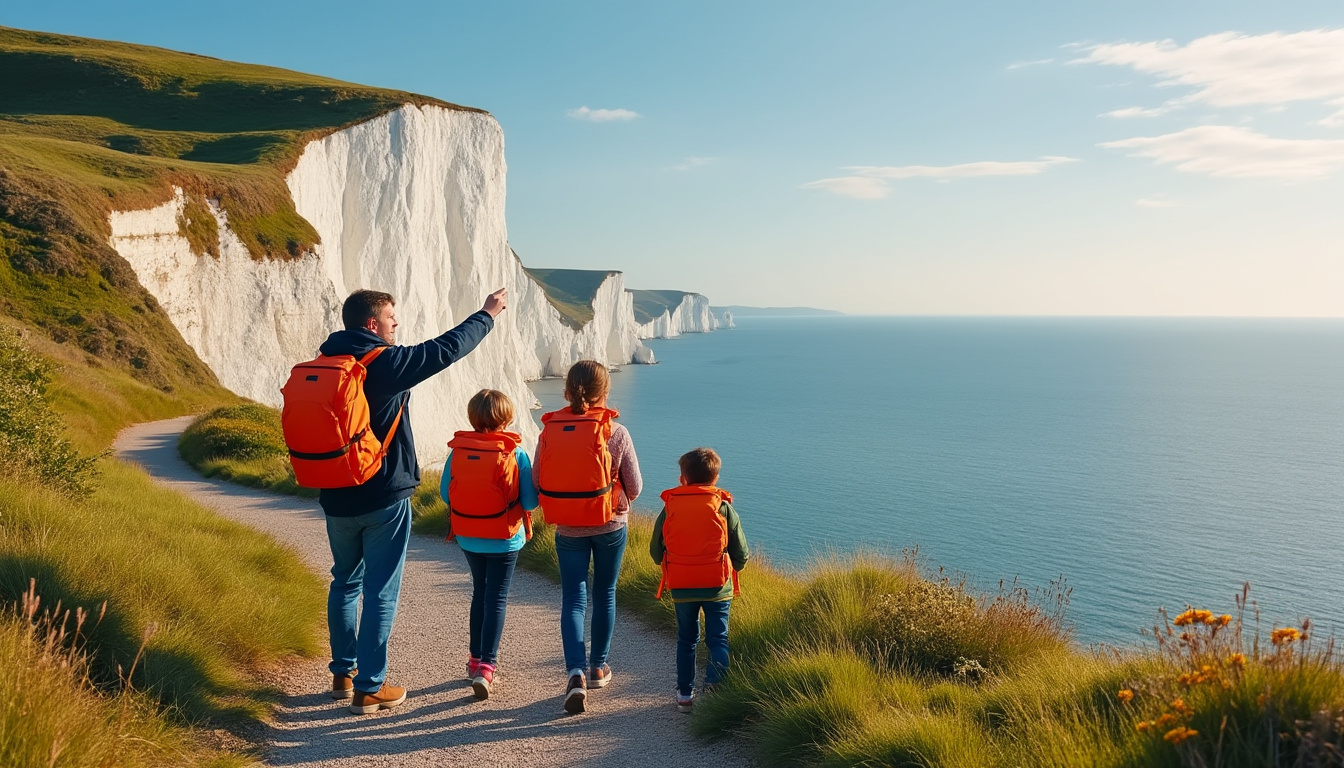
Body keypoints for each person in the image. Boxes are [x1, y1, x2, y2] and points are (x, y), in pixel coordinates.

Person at [321, 286, 507, 715]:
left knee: (345, 581)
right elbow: (445, 350)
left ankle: (343, 674)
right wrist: (486, 314)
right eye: (391, 317)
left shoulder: (328, 362)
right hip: (383, 496)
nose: (395, 324)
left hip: (334, 495)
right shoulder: (383, 363)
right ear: (372, 324)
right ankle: (369, 687)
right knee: (380, 590)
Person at [533, 361, 642, 714]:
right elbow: (636, 487)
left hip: (567, 526)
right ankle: (598, 667)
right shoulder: (617, 432)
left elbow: (537, 481)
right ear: (604, 393)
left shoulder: (549, 428)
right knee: (604, 593)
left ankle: (575, 672)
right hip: (610, 524)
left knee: (573, 599)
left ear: (566, 391)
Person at [439, 389, 539, 700]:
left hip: (468, 534)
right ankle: (487, 667)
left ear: (472, 417)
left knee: (479, 592)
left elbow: (445, 494)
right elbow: (530, 502)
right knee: (496, 597)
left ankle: (474, 659)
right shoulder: (515, 453)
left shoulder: (457, 451)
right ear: (506, 420)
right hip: (505, 538)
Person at [649, 447, 749, 713]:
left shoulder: (670, 506)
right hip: (718, 585)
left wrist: (674, 563)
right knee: (718, 639)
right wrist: (734, 566)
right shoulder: (723, 507)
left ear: (683, 478)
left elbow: (655, 552)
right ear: (715, 479)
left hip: (682, 586)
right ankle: (716, 688)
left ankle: (684, 695)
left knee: (686, 639)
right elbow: (741, 552)